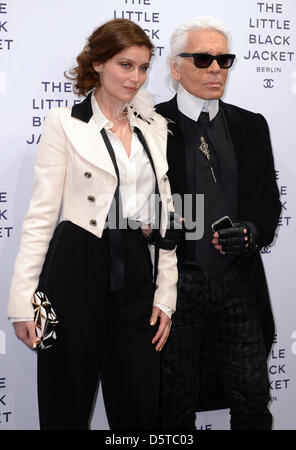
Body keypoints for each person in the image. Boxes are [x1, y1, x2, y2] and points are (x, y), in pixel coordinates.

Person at [7, 18, 178, 430]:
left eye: (142, 67)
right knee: (66, 398)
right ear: (98, 63)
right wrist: (20, 303)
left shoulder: (154, 127)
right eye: (125, 65)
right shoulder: (64, 123)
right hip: (77, 265)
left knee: (139, 407)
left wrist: (165, 296)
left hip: (136, 271)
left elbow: (167, 217)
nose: (135, 77)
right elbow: (42, 216)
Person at [156, 16, 281, 430]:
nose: (215, 68)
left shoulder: (251, 124)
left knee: (252, 400)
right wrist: (159, 227)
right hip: (175, 283)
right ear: (176, 67)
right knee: (173, 405)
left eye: (224, 59)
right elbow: (128, 206)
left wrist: (251, 232)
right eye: (204, 58)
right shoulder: (149, 126)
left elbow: (268, 206)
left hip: (238, 282)